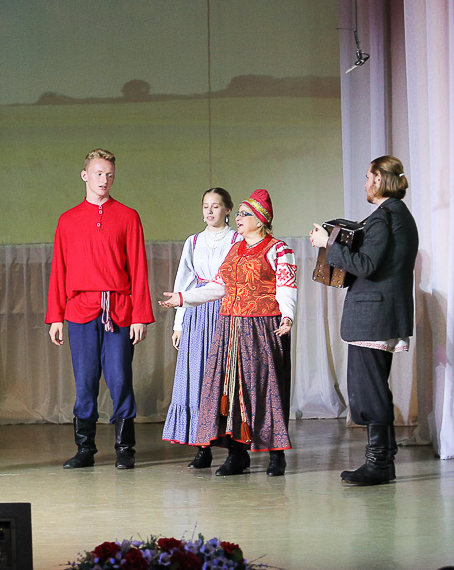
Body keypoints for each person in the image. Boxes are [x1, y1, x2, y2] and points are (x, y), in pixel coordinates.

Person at [162, 189, 296, 477]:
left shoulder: (278, 249)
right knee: (230, 389)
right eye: (239, 214)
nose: (238, 218)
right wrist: (183, 298)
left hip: (262, 326)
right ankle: (237, 454)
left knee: (265, 388)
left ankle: (276, 454)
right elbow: (218, 287)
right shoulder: (235, 250)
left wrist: (287, 316)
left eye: (245, 214)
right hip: (230, 327)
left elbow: (286, 286)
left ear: (260, 220)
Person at [310, 155, 418, 486]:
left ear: (380, 180)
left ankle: (379, 464)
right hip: (380, 312)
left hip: (374, 314)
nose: (365, 184)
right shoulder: (397, 215)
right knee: (372, 388)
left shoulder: (385, 217)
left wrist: (327, 243)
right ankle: (381, 461)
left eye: (368, 178)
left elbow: (367, 265)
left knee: (370, 390)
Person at [46, 148, 154, 470]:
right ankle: (85, 449)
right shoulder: (67, 220)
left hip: (118, 309)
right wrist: (55, 317)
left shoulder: (128, 216)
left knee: (120, 379)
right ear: (85, 176)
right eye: (98, 173)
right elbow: (59, 270)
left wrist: (140, 316)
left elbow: (138, 268)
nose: (104, 180)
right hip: (80, 310)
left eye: (109, 175)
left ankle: (125, 448)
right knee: (85, 381)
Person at [162, 188, 240, 467]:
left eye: (215, 206)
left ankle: (233, 447)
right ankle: (202, 446)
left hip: (226, 311)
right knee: (197, 377)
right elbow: (184, 283)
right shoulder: (193, 241)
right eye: (206, 206)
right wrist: (179, 324)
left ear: (227, 209)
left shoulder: (236, 239)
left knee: (225, 378)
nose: (209, 211)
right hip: (197, 313)